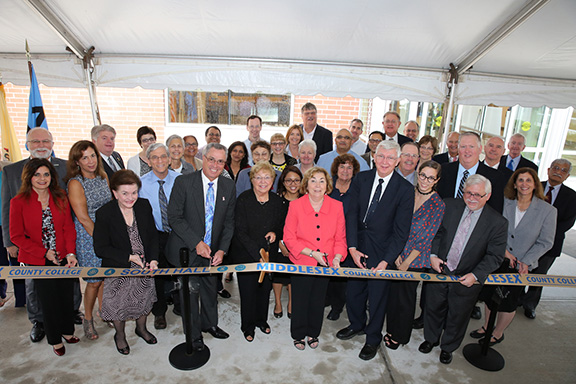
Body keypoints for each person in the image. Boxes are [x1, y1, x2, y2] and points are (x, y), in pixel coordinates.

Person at [2, 127, 82, 342]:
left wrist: (71, 251)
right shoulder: (11, 172)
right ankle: (39, 322)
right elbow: (6, 211)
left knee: (67, 287)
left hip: (63, 248)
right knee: (36, 289)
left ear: (52, 144)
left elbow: (68, 221)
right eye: (35, 141)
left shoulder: (67, 168)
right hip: (33, 251)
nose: (40, 145)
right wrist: (8, 241)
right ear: (27, 144)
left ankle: (71, 315)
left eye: (45, 141)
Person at [337, 140, 414, 361]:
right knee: (353, 294)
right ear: (374, 156)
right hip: (357, 249)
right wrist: (351, 247)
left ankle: (372, 338)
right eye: (381, 156)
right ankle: (357, 324)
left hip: (382, 253)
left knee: (378, 299)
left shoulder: (405, 189)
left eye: (390, 158)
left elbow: (401, 232)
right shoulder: (361, 179)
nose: (385, 161)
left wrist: (386, 261)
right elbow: (351, 214)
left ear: (398, 160)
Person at [419, 175, 507, 365]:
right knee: (433, 308)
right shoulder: (448, 206)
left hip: (467, 278)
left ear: (488, 196)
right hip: (439, 270)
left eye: (478, 194)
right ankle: (431, 339)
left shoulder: (497, 222)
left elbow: (495, 256)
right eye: (468, 193)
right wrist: (433, 255)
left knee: (458, 315)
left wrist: (476, 275)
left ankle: (448, 347)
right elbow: (434, 233)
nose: (472, 198)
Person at [471, 168, 555, 346]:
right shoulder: (504, 203)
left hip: (521, 265)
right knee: (489, 295)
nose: (524, 184)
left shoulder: (547, 211)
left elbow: (545, 242)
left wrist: (526, 261)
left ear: (535, 185)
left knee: (508, 301)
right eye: (521, 180)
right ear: (515, 184)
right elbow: (491, 228)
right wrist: (503, 251)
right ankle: (486, 326)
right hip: (497, 257)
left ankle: (498, 332)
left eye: (528, 181)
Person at [166, 143, 236, 351]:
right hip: (186, 251)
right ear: (202, 158)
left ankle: (210, 324)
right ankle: (194, 335)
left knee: (209, 289)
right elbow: (174, 217)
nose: (215, 165)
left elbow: (229, 223)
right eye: (211, 159)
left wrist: (222, 249)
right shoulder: (184, 182)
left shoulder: (228, 186)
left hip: (213, 252)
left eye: (220, 161)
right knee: (189, 294)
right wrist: (196, 243)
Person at [93, 170, 159, 355]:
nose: (131, 198)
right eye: (125, 193)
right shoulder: (104, 214)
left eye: (134, 192)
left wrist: (153, 259)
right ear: (114, 193)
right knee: (118, 306)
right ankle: (120, 336)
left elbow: (153, 236)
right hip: (118, 267)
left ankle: (141, 329)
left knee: (143, 300)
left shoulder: (144, 206)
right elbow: (101, 248)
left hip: (143, 266)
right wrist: (129, 257)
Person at [284, 166, 347, 351]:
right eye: (313, 180)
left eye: (321, 181)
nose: (317, 185)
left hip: (326, 264)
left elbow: (340, 238)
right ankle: (298, 334)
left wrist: (337, 258)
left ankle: (313, 332)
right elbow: (289, 238)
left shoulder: (337, 206)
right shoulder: (295, 205)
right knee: (301, 299)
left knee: (318, 300)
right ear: (306, 185)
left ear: (327, 185)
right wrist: (311, 253)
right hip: (302, 261)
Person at [384, 161, 445, 350]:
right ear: (417, 174)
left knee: (406, 299)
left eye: (431, 177)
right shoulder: (407, 192)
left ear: (437, 180)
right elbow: (394, 223)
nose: (425, 181)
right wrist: (395, 254)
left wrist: (407, 261)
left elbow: (427, 237)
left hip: (416, 260)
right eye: (423, 175)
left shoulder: (438, 204)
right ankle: (391, 329)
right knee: (393, 297)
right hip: (396, 253)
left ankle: (400, 336)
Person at [230, 162, 287, 342]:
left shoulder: (277, 202)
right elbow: (240, 231)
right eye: (258, 177)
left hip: (270, 255)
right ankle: (247, 326)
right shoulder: (244, 200)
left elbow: (281, 225)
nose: (263, 181)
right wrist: (258, 253)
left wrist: (275, 233)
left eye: (267, 177)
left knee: (264, 290)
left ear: (273, 181)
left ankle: (262, 320)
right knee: (248, 292)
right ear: (252, 179)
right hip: (246, 254)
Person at [65, 141, 111, 340]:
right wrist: (101, 240)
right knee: (93, 281)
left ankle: (104, 311)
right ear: (77, 161)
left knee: (105, 278)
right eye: (84, 157)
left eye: (93, 156)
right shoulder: (76, 183)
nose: (90, 161)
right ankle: (88, 319)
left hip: (105, 232)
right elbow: (83, 217)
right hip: (88, 236)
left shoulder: (103, 177)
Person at [522, 159, 576, 319]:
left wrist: (543, 234)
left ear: (567, 176)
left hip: (550, 244)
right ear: (548, 169)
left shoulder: (572, 196)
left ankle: (530, 304)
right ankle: (517, 298)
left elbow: (567, 222)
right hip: (525, 240)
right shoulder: (532, 187)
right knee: (521, 271)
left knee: (539, 275)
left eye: (563, 170)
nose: (558, 172)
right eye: (556, 168)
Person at [138, 143, 181, 330]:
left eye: (164, 156)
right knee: (156, 275)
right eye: (155, 157)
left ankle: (180, 304)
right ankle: (159, 313)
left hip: (178, 234)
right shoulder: (140, 184)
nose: (160, 161)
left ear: (170, 159)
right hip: (155, 235)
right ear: (148, 161)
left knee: (180, 272)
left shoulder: (181, 180)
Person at [325, 154, 360, 321]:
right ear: (336, 169)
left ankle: (338, 306)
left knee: (344, 275)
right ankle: (331, 302)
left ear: (354, 171)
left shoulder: (359, 188)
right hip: (328, 238)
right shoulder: (327, 186)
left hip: (350, 238)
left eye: (349, 167)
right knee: (330, 273)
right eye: (342, 167)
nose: (345, 171)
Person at [436, 132, 505, 214]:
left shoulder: (494, 177)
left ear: (480, 149)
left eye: (471, 147)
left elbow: (495, 211)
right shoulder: (444, 170)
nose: (467, 151)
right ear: (458, 149)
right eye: (463, 146)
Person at [273, 166, 303, 319]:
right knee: (278, 275)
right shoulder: (276, 201)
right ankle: (278, 302)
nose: (293, 183)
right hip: (279, 245)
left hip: (299, 247)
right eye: (289, 180)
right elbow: (273, 225)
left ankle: (292, 303)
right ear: (283, 182)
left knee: (293, 276)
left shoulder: (306, 200)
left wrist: (294, 247)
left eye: (296, 180)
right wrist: (281, 245)